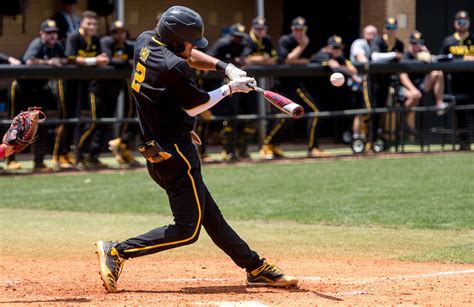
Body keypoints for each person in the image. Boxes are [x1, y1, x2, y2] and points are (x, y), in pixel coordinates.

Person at [95, 5, 298, 293]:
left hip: (163, 143)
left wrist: (225, 68)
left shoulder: (146, 40)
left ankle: (254, 267)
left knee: (210, 215)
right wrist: (230, 88)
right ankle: (117, 250)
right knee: (188, 229)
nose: (193, 47)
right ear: (176, 40)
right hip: (174, 154)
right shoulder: (173, 66)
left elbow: (187, 58)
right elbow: (196, 104)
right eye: (190, 41)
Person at [262, 16, 327, 159]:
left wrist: (299, 59)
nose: (299, 32)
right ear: (292, 29)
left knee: (315, 111)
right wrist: (301, 47)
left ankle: (313, 147)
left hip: (298, 85)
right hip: (283, 85)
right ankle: (268, 145)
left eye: (302, 30)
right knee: (284, 116)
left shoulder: (308, 41)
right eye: (297, 29)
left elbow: (311, 59)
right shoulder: (286, 40)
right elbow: (287, 60)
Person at [8, 19, 67, 172]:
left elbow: (66, 59)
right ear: (41, 34)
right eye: (49, 33)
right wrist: (49, 62)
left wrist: (58, 60)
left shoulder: (57, 46)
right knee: (16, 126)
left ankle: (39, 162)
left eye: (54, 33)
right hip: (22, 88)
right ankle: (10, 159)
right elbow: (29, 61)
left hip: (39, 90)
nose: (52, 36)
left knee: (39, 126)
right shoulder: (37, 43)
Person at [65, 10, 110, 168]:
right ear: (81, 23)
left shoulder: (96, 40)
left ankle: (82, 153)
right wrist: (93, 60)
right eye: (88, 23)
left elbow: (102, 57)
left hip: (91, 85)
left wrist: (102, 61)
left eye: (94, 24)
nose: (91, 26)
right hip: (71, 85)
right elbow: (70, 58)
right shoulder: (73, 37)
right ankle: (70, 153)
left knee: (93, 121)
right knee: (70, 120)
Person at [99, 20, 140, 167]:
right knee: (99, 120)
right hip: (100, 87)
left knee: (135, 115)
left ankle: (122, 145)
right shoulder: (106, 42)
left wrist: (127, 61)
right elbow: (109, 60)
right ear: (111, 33)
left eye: (122, 32)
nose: (119, 35)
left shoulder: (130, 46)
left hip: (119, 86)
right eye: (116, 32)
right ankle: (90, 154)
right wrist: (125, 62)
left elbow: (135, 61)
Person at [207, 23, 249, 161]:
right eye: (236, 37)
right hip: (213, 83)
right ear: (230, 35)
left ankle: (231, 150)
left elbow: (245, 58)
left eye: (241, 37)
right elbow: (209, 61)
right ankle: (218, 150)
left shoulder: (243, 45)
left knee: (234, 115)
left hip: (233, 84)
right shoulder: (222, 43)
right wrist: (232, 61)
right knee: (212, 117)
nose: (239, 39)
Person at [440, 10, 474, 150]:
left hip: (472, 83)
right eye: (460, 22)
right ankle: (464, 143)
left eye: (465, 22)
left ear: (469, 23)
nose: (462, 25)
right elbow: (441, 60)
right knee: (460, 114)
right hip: (456, 84)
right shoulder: (449, 41)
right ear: (455, 24)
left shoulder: (473, 38)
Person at [370, 17, 404, 150]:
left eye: (393, 28)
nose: (391, 31)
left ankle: (379, 139)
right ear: (384, 29)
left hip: (389, 82)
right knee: (372, 110)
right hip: (374, 81)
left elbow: (402, 59)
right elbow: (375, 56)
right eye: (389, 28)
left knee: (384, 111)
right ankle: (368, 139)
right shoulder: (378, 40)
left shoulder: (399, 43)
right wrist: (393, 55)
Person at [400, 31, 447, 115]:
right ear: (410, 44)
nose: (417, 46)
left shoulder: (424, 54)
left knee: (438, 73)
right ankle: (402, 121)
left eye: (419, 43)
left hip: (420, 85)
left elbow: (434, 68)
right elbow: (403, 77)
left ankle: (439, 104)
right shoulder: (406, 55)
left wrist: (427, 53)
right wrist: (413, 90)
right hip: (405, 88)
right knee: (415, 96)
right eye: (414, 43)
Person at [350, 25, 377, 140]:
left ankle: (368, 135)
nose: (371, 36)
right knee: (361, 110)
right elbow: (361, 58)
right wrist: (373, 66)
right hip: (358, 82)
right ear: (363, 34)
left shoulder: (375, 45)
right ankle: (357, 136)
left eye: (373, 34)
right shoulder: (359, 43)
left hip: (370, 82)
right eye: (368, 33)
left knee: (370, 109)